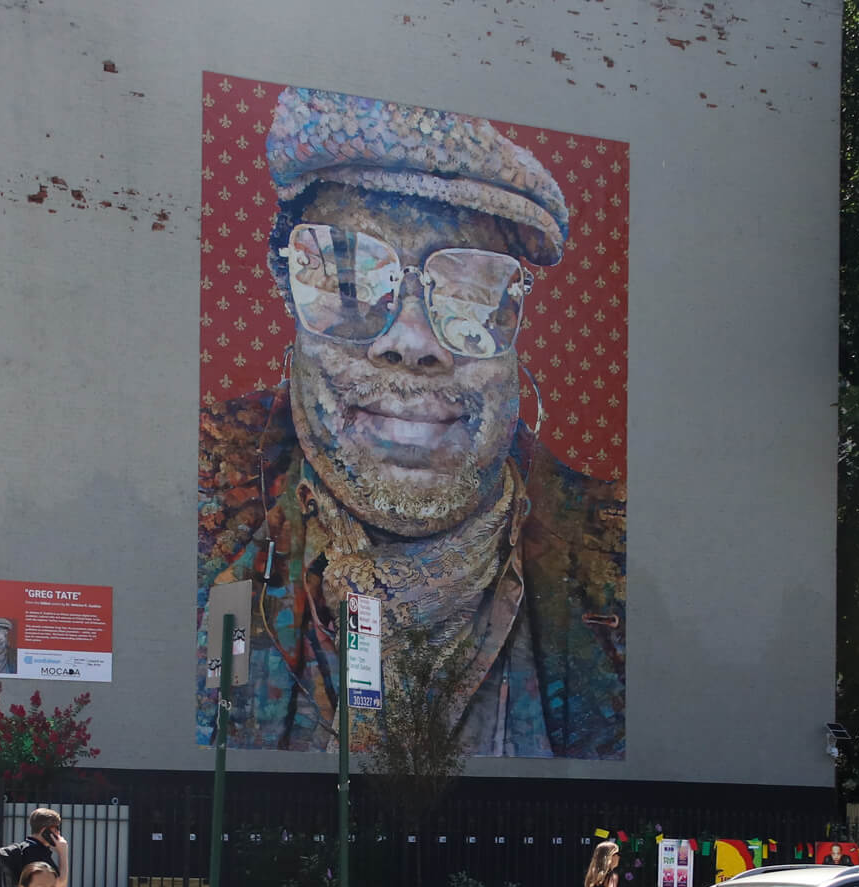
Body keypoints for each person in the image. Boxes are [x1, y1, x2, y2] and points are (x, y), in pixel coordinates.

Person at [199, 85, 626, 759]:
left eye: (469, 292)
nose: (412, 340)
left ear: (517, 321)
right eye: (347, 281)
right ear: (286, 293)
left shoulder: (616, 562)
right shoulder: (199, 502)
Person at [0, 806, 68, 887]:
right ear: (45, 830)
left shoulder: (27, 849)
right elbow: (61, 885)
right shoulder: (36, 853)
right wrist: (63, 852)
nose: (58, 832)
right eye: (56, 828)